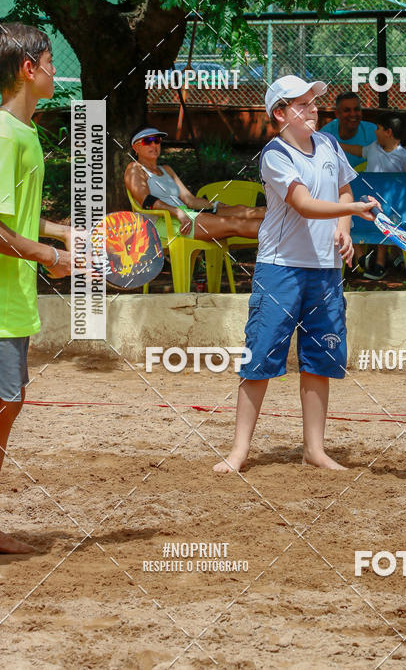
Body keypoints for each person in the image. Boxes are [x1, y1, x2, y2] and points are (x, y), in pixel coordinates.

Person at [213, 75, 379, 473]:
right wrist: (351, 213)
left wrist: (344, 228)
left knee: (319, 359)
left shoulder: (329, 144)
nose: (312, 109)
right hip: (280, 268)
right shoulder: (275, 155)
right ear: (280, 114)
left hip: (324, 269)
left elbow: (343, 190)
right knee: (261, 356)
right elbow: (303, 204)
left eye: (312, 102)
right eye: (301, 104)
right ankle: (238, 452)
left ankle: (314, 451)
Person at [0, 23, 72, 553]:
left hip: (16, 304)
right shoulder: (5, 135)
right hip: (2, 306)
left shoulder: (22, 133)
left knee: (10, 408)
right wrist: (51, 256)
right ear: (29, 69)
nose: (55, 69)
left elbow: (14, 217)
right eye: (49, 60)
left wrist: (57, 230)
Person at [124, 127, 265, 242]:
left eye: (157, 141)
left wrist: (214, 205)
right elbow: (146, 201)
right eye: (148, 141)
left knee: (242, 210)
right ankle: (283, 237)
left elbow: (190, 200)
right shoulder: (134, 168)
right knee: (234, 223)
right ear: (135, 148)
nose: (154, 145)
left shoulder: (166, 169)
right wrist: (177, 212)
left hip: (186, 213)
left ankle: (284, 223)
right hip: (163, 223)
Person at [339, 112, 406, 280]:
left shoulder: (404, 157)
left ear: (388, 132)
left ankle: (380, 264)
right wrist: (337, 145)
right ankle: (362, 258)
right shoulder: (373, 147)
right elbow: (359, 151)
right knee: (349, 216)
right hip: (367, 202)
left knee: (385, 218)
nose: (375, 132)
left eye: (378, 128)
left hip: (391, 206)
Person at [320, 91, 377, 168]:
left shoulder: (373, 131)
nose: (353, 114)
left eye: (356, 109)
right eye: (347, 110)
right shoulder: (325, 135)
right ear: (337, 114)